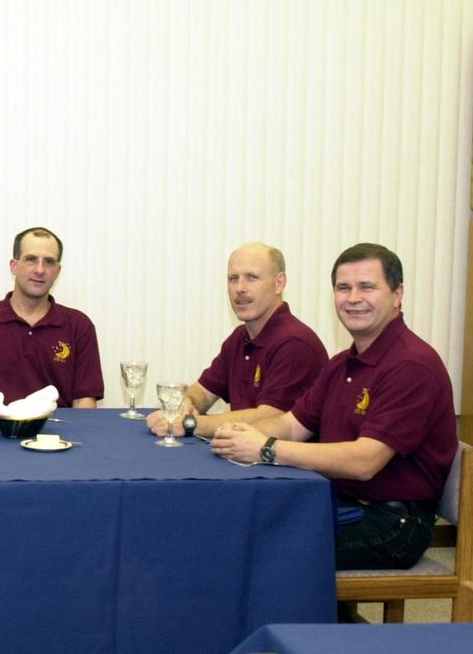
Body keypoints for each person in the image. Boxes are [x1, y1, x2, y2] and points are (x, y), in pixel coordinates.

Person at [211, 243, 457, 570]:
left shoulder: (412, 366)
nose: (353, 298)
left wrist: (266, 449)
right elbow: (292, 425)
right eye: (343, 288)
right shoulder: (342, 364)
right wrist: (236, 435)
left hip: (393, 522)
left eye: (367, 286)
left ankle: (305, 622)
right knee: (232, 527)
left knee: (260, 553)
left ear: (398, 294)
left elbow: (363, 462)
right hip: (339, 501)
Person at [147, 243, 328, 438]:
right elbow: (203, 391)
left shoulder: (295, 343)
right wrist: (186, 403)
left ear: (279, 283)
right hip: (241, 458)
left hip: (280, 465)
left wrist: (191, 423)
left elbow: (272, 417)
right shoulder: (239, 338)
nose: (240, 288)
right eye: (233, 279)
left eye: (252, 278)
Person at [0, 227, 102, 408]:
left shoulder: (79, 326)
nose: (40, 270)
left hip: (58, 434)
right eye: (30, 260)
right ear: (14, 266)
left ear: (58, 271)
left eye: (49, 262)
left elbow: (85, 402)